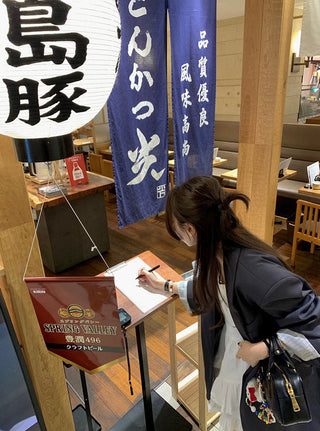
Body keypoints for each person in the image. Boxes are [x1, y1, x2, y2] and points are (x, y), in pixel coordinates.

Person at [138, 175, 320, 431]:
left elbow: (315, 323)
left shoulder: (253, 270)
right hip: (238, 360)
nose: (178, 236)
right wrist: (165, 286)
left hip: (255, 366)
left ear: (190, 229)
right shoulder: (219, 254)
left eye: (177, 231)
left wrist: (263, 349)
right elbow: (214, 291)